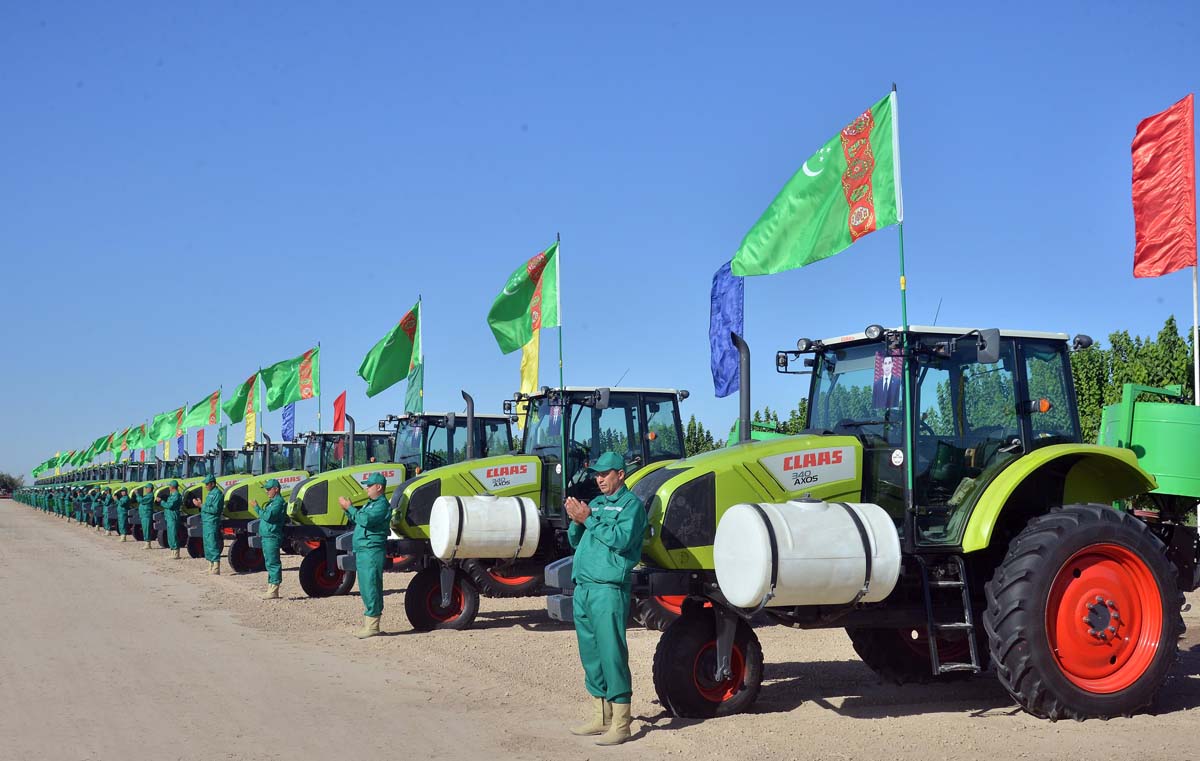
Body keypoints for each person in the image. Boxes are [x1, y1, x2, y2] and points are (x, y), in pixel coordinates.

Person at [563, 451, 647, 746]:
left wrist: (588, 519)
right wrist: (576, 521)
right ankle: (602, 716)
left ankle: (622, 723)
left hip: (608, 589)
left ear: (620, 474)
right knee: (591, 654)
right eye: (597, 474)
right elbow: (575, 541)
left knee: (612, 653)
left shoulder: (631, 506)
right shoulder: (596, 504)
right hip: (584, 587)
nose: (599, 479)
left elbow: (621, 540)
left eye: (604, 474)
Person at [337, 472, 391, 638]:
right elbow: (360, 519)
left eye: (369, 485)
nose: (366, 488)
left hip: (371, 550)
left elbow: (366, 520)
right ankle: (370, 624)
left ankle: (373, 626)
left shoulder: (381, 505)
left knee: (371, 585)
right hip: (364, 550)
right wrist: (347, 510)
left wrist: (350, 508)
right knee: (366, 586)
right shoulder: (371, 504)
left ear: (379, 487)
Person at [251, 479, 287, 600]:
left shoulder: (278, 503)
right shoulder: (272, 503)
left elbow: (268, 516)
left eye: (268, 489)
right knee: (269, 562)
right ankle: (271, 587)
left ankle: (274, 590)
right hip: (267, 536)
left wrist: (256, 508)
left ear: (276, 489)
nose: (267, 491)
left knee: (273, 562)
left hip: (272, 536)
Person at [193, 474, 224, 574]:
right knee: (207, 544)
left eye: (207, 484)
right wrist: (201, 504)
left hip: (212, 522)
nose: (205, 486)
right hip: (206, 522)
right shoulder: (210, 493)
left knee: (212, 543)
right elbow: (207, 507)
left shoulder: (217, 494)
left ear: (212, 484)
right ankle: (210, 565)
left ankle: (216, 567)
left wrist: (201, 505)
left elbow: (215, 509)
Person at [160, 480, 184, 559]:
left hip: (173, 517)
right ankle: (173, 552)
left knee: (173, 534)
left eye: (169, 486)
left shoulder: (176, 495)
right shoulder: (172, 495)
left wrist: (161, 502)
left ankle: (176, 553)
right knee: (170, 534)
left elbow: (169, 505)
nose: (169, 487)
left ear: (172, 487)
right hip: (169, 517)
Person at [137, 483, 156, 549]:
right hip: (144, 514)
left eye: (147, 488)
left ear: (150, 489)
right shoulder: (147, 495)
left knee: (147, 529)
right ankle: (146, 543)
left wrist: (137, 494)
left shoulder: (150, 496)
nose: (146, 489)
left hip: (146, 514)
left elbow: (141, 500)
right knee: (145, 528)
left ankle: (148, 544)